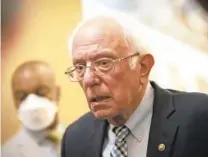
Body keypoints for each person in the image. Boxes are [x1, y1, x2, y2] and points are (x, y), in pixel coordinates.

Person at [61, 11, 208, 157]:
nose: (88, 79)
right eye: (80, 67)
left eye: (104, 63)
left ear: (143, 67)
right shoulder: (75, 139)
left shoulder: (199, 117)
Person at [2, 60, 65, 157]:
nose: (32, 102)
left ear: (57, 93)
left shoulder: (80, 136)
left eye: (41, 92)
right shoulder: (7, 153)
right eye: (22, 96)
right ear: (14, 101)